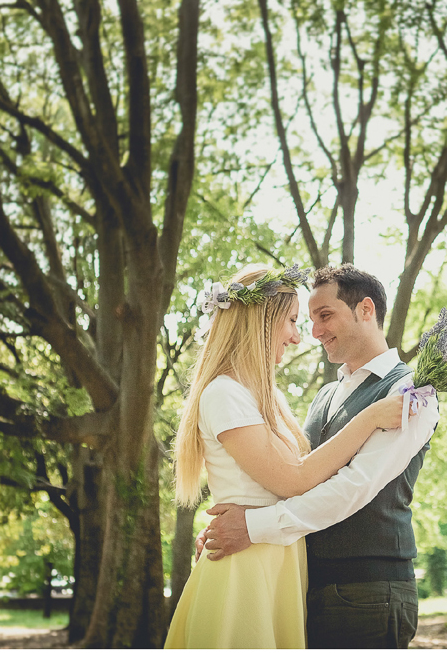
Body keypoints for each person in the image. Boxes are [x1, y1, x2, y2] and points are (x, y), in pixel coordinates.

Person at [164, 263, 411, 649]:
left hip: (314, 571)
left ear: (366, 310)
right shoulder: (230, 393)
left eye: (319, 317)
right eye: (295, 321)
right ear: (261, 322)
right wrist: (368, 419)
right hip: (252, 566)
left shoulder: (409, 391)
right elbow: (293, 478)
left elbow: (350, 485)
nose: (302, 336)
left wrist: (249, 521)